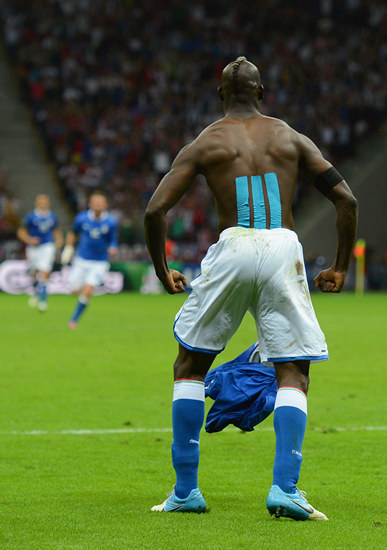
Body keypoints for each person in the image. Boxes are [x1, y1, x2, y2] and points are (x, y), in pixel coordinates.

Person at [145, 57, 358, 519]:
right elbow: (346, 199)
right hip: (283, 248)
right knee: (293, 371)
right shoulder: (291, 137)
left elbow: (154, 211)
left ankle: (185, 492)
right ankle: (285, 489)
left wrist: (163, 270)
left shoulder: (207, 142)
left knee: (190, 366)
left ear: (220, 95)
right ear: (262, 93)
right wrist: (340, 267)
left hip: (233, 245)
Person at [61, 191, 118, 329]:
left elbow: (113, 240)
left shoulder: (111, 222)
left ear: (105, 205)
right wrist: (68, 248)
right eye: (95, 202)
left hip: (100, 262)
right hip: (81, 259)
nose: (98, 205)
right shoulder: (81, 218)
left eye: (100, 203)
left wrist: (112, 248)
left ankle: (74, 320)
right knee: (74, 290)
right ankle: (80, 296)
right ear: (90, 204)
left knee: (88, 289)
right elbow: (73, 233)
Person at [17, 194, 63, 311]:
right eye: (41, 202)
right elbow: (21, 232)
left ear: (48, 203)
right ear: (37, 203)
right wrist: (29, 240)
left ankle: (43, 301)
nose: (43, 204)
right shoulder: (30, 216)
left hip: (47, 246)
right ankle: (34, 291)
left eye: (45, 202)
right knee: (34, 272)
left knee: (45, 271)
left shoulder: (52, 216)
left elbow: (56, 231)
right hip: (33, 248)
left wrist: (59, 240)